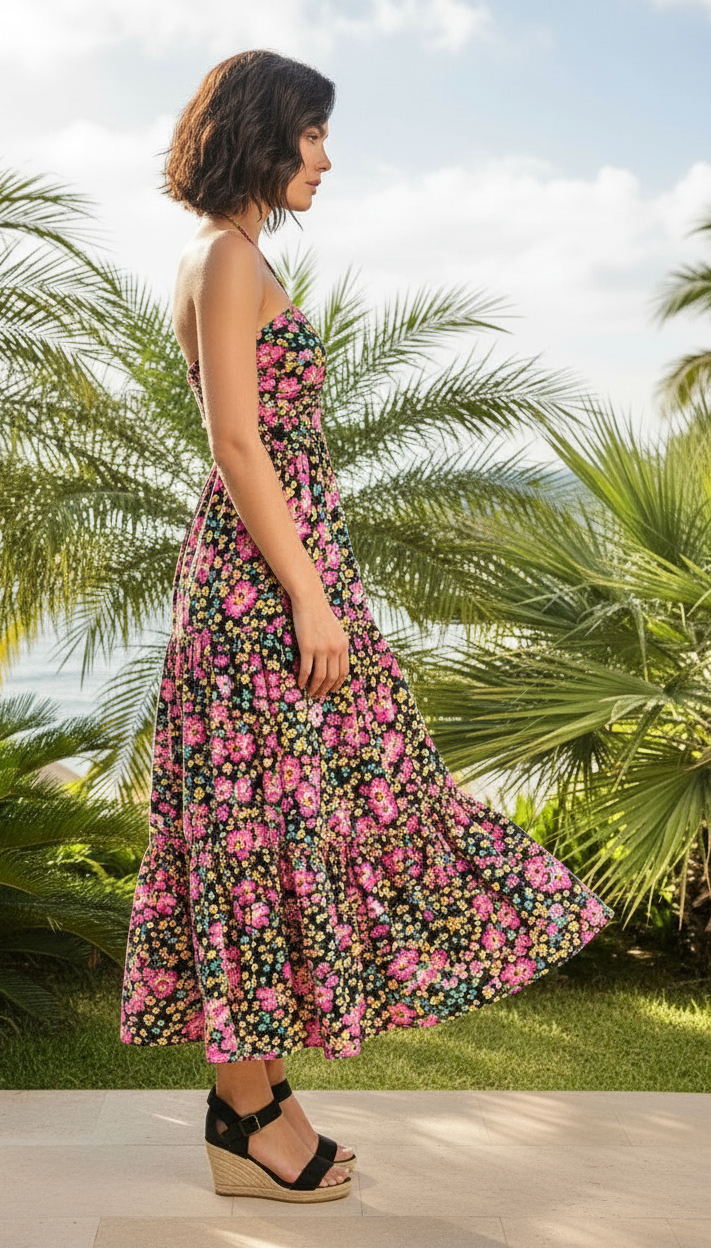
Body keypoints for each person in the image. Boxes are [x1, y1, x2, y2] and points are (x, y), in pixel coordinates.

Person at [120, 49, 614, 1205]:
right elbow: (238, 442)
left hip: (268, 572)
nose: (324, 159)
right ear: (261, 134)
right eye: (310, 136)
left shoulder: (219, 256)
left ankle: (261, 1097)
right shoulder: (229, 259)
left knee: (299, 824)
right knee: (261, 837)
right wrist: (306, 594)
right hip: (263, 587)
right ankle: (245, 1118)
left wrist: (314, 582)